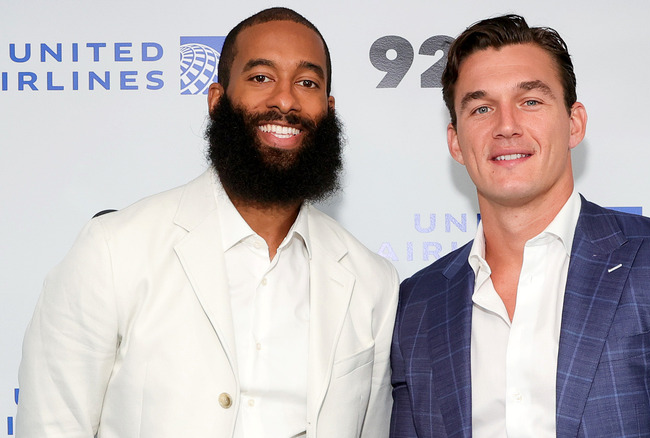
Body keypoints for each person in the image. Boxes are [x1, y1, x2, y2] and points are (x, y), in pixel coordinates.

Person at [17, 7, 398, 438]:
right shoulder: (113, 250)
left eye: (307, 83)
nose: (286, 99)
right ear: (217, 100)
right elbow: (51, 426)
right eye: (260, 77)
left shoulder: (372, 282)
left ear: (327, 109)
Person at [389, 14, 650, 437]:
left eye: (530, 101)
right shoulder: (416, 304)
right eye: (482, 108)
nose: (506, 125)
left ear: (574, 122)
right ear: (456, 141)